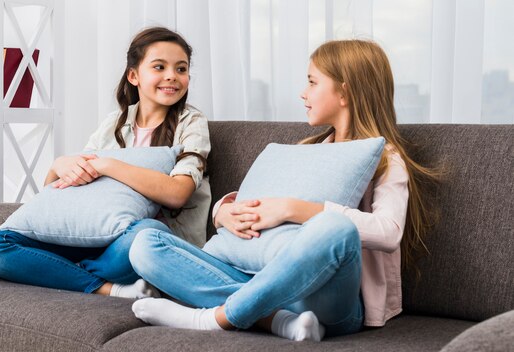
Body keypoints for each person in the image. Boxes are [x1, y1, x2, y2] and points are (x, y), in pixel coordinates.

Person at [128, 39, 440, 341]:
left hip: (328, 301)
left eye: (312, 82)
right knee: (146, 244)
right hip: (266, 285)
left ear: (344, 92)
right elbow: (253, 198)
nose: (303, 94)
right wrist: (223, 212)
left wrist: (293, 209)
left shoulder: (388, 159)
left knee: (335, 229)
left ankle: (215, 317)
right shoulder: (306, 149)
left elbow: (389, 232)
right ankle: (276, 320)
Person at [0, 27, 211, 299]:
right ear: (133, 76)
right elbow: (62, 197)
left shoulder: (191, 123)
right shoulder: (114, 123)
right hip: (93, 237)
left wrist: (106, 165)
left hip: (131, 245)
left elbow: (177, 193)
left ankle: (65, 273)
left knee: (148, 234)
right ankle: (105, 287)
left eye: (181, 69)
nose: (172, 75)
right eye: (159, 67)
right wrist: (58, 166)